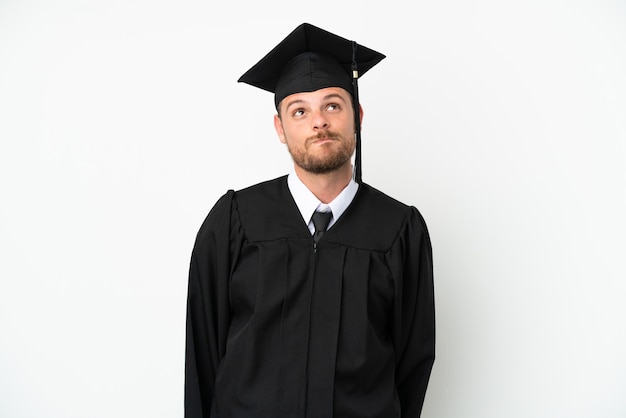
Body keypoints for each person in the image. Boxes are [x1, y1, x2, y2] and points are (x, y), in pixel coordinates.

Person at [185, 23, 435, 418]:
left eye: (332, 105)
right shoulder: (235, 221)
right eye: (299, 111)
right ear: (280, 128)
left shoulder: (399, 230)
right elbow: (202, 354)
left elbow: (412, 364)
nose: (318, 122)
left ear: (358, 116)